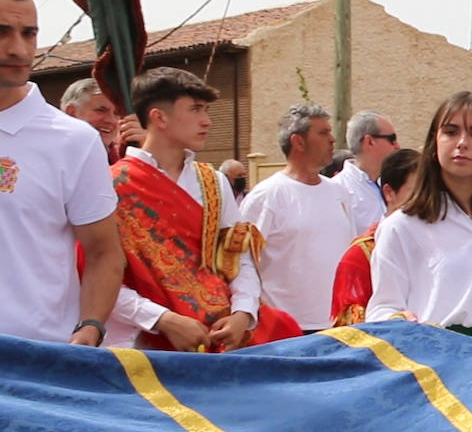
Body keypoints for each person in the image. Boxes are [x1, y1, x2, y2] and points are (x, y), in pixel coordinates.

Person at [104, 67, 301, 351]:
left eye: (206, 110)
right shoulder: (112, 186)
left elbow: (238, 258)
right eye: (196, 109)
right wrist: (164, 319)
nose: (207, 121)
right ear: (159, 117)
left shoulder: (213, 182)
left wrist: (243, 313)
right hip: (142, 343)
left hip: (220, 332)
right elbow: (97, 277)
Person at [0, 0, 122, 345]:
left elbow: (104, 252)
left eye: (29, 34)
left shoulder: (73, 140)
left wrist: (90, 327)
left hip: (35, 365)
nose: (19, 50)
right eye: (2, 31)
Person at [367, 92, 472, 340]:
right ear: (434, 143)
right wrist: (400, 321)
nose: (462, 142)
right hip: (435, 368)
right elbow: (382, 309)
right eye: (450, 131)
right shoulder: (402, 226)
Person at [240, 104, 355, 333]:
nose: (333, 140)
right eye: (323, 133)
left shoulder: (339, 192)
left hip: (338, 327)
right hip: (285, 330)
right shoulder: (267, 196)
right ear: (298, 142)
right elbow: (243, 263)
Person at [331, 148, 420, 326]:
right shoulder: (360, 256)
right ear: (389, 192)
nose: (429, 199)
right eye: (417, 191)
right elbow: (351, 330)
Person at [333, 110, 400, 236]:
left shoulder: (397, 184)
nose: (397, 146)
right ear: (369, 142)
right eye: (392, 139)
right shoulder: (338, 190)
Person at [60, 78, 121, 163]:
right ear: (71, 112)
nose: (112, 120)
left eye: (116, 113)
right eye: (101, 110)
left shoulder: (125, 158)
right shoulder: (52, 158)